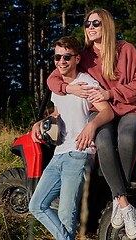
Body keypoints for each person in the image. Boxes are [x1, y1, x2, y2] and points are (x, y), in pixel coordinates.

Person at [46, 9, 136, 240]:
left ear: (107, 26)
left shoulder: (126, 50)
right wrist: (68, 88)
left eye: (96, 23)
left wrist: (110, 92)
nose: (90, 27)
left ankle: (116, 197)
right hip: (101, 112)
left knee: (128, 138)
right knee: (102, 139)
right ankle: (124, 203)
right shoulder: (84, 55)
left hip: (129, 109)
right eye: (87, 23)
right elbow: (54, 77)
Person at [28, 36, 114, 240]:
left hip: (79, 153)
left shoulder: (86, 83)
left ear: (77, 59)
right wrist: (39, 122)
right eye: (57, 57)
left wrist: (91, 126)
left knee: (67, 215)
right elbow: (58, 112)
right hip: (59, 153)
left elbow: (107, 112)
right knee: (36, 205)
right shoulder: (57, 86)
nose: (61, 61)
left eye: (67, 57)